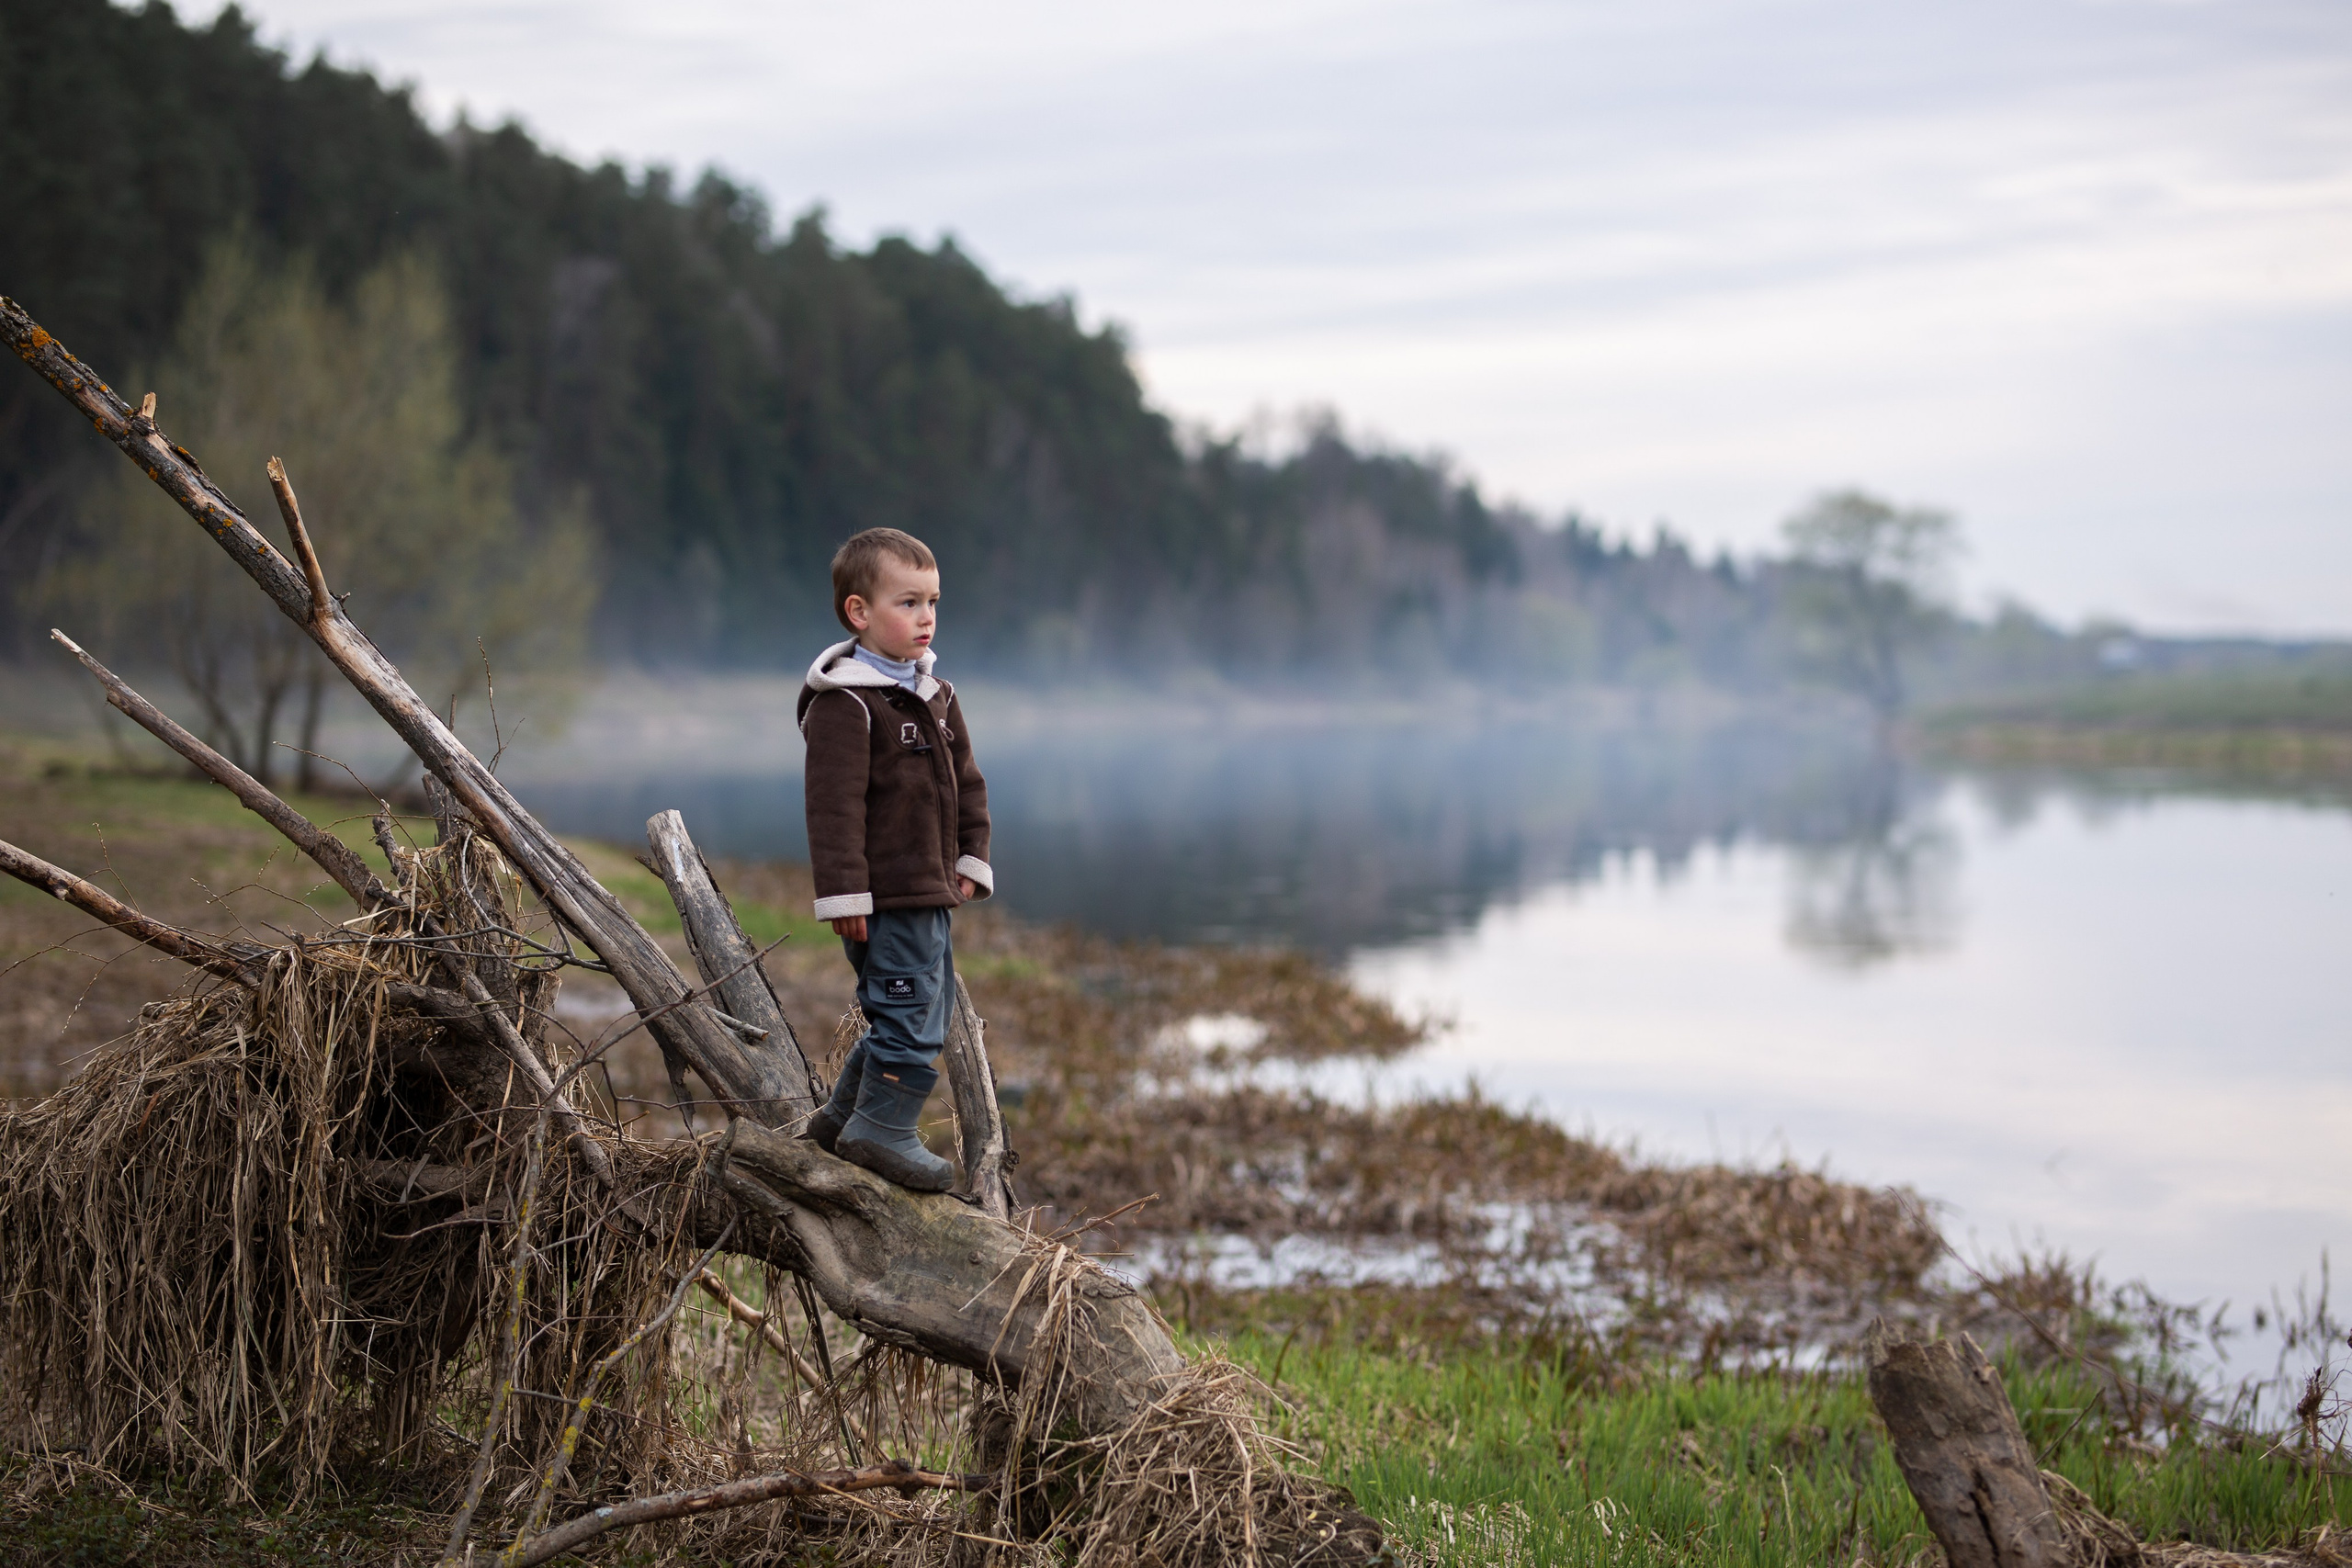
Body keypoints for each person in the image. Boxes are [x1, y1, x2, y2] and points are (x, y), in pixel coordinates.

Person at [795, 527, 992, 1191]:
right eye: (908, 602)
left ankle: (842, 1120)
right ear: (859, 612)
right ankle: (882, 1131)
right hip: (884, 898)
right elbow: (833, 808)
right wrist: (846, 896)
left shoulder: (937, 697)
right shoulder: (846, 703)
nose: (927, 616)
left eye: (933, 601)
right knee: (907, 1015)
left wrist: (972, 855)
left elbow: (967, 784)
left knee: (914, 1010)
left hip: (932, 890)